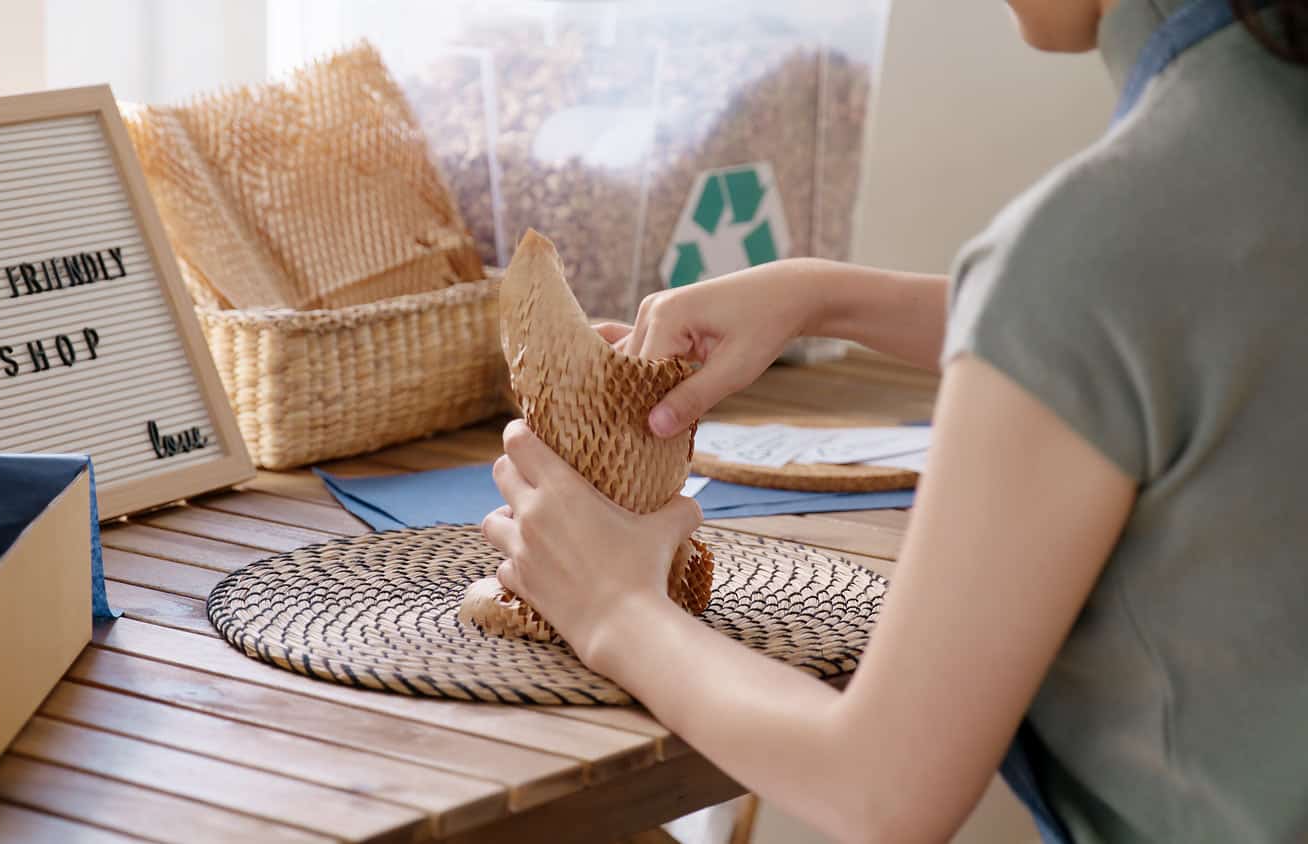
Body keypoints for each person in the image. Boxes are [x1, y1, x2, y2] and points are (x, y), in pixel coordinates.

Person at [478, 0, 1308, 840]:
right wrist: (829, 294)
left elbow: (881, 788)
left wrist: (613, 604)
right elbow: (1187, 312)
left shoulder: (1101, 238)